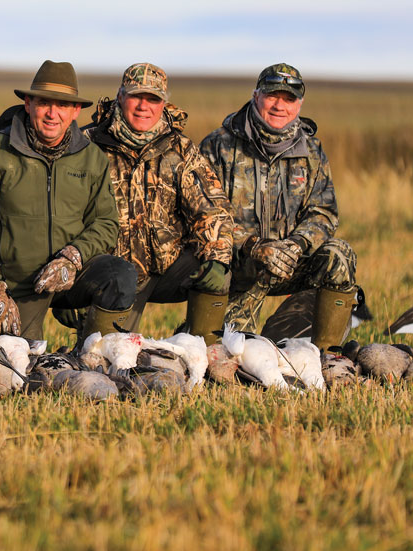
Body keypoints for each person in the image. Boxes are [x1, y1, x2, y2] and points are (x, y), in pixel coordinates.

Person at [0, 60, 136, 340]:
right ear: (28, 103)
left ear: (76, 110)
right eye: (44, 103)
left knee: (119, 274)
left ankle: (95, 356)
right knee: (18, 359)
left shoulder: (91, 157)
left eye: (63, 105)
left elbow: (105, 222)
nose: (53, 113)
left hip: (69, 274)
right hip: (18, 284)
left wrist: (73, 257)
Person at [199, 63, 357, 348]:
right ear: (256, 95)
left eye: (289, 99)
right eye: (273, 96)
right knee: (231, 351)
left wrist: (296, 245)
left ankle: (326, 354)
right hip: (240, 266)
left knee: (339, 254)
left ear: (300, 104)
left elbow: (323, 212)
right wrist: (254, 246)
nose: (280, 106)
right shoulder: (218, 145)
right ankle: (202, 333)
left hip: (291, 261)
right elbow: (206, 215)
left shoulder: (312, 150)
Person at [85, 63, 234, 344]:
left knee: (218, 266)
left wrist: (217, 257)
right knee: (105, 356)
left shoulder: (180, 148)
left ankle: (206, 352)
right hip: (112, 274)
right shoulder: (88, 144)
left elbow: (212, 209)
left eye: (153, 98)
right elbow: (67, 215)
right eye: (136, 96)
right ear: (120, 97)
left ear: (163, 102)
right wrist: (78, 277)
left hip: (167, 267)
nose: (144, 106)